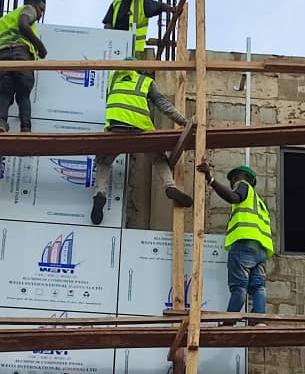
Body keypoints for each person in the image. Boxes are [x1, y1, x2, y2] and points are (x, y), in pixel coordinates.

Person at [91, 64, 193, 225]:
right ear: (138, 69)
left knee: (103, 162)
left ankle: (99, 194)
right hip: (140, 130)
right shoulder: (145, 81)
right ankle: (170, 186)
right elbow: (164, 106)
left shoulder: (112, 79)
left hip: (115, 130)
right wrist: (185, 123)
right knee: (159, 159)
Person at [196, 162, 273, 321]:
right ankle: (258, 321)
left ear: (242, 177)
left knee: (239, 288)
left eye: (233, 179)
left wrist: (211, 179)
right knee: (258, 287)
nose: (232, 183)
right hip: (261, 250)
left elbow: (233, 197)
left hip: (244, 245)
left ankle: (229, 321)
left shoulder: (243, 186)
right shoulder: (259, 202)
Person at [0, 0, 48, 133]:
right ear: (33, 4)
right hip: (20, 55)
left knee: (5, 93)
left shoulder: (6, 20)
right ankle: (26, 129)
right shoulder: (29, 9)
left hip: (3, 57)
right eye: (41, 9)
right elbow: (23, 24)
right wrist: (40, 47)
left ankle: (1, 122)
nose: (40, 14)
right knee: (23, 94)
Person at [102, 0, 177, 57]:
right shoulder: (115, 4)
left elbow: (160, 6)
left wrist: (172, 9)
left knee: (132, 70)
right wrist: (109, 38)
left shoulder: (142, 2)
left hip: (136, 52)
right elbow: (107, 24)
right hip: (116, 50)